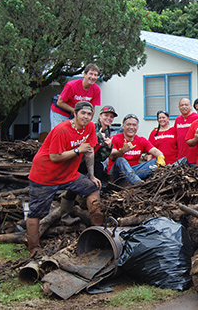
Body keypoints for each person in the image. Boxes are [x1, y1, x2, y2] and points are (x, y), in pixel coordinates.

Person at [27, 101, 104, 257]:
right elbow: (54, 157)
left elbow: (89, 152)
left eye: (89, 114)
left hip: (69, 174)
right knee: (36, 212)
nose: (86, 117)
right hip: (45, 174)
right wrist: (77, 150)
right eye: (83, 113)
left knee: (93, 187)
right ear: (74, 113)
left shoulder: (89, 127)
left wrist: (91, 175)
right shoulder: (61, 130)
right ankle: (34, 248)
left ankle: (99, 231)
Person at [108, 114, 165, 185]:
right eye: (128, 124)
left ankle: (139, 180)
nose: (131, 127)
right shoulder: (115, 138)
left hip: (134, 171)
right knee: (120, 160)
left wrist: (160, 157)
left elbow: (155, 151)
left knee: (155, 162)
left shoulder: (141, 140)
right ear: (123, 126)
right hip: (118, 175)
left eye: (134, 125)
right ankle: (138, 183)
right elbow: (112, 157)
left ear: (137, 127)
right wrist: (123, 150)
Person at [50, 64, 101, 129]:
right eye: (91, 74)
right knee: (60, 132)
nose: (93, 77)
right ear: (85, 74)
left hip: (76, 114)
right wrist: (75, 111)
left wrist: (88, 120)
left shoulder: (96, 89)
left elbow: (92, 108)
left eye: (95, 75)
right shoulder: (71, 85)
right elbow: (59, 102)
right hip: (61, 112)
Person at [174, 98, 198, 165]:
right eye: (182, 105)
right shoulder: (177, 119)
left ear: (191, 106)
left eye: (186, 105)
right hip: (181, 157)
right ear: (179, 107)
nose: (184, 107)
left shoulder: (197, 117)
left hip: (194, 157)